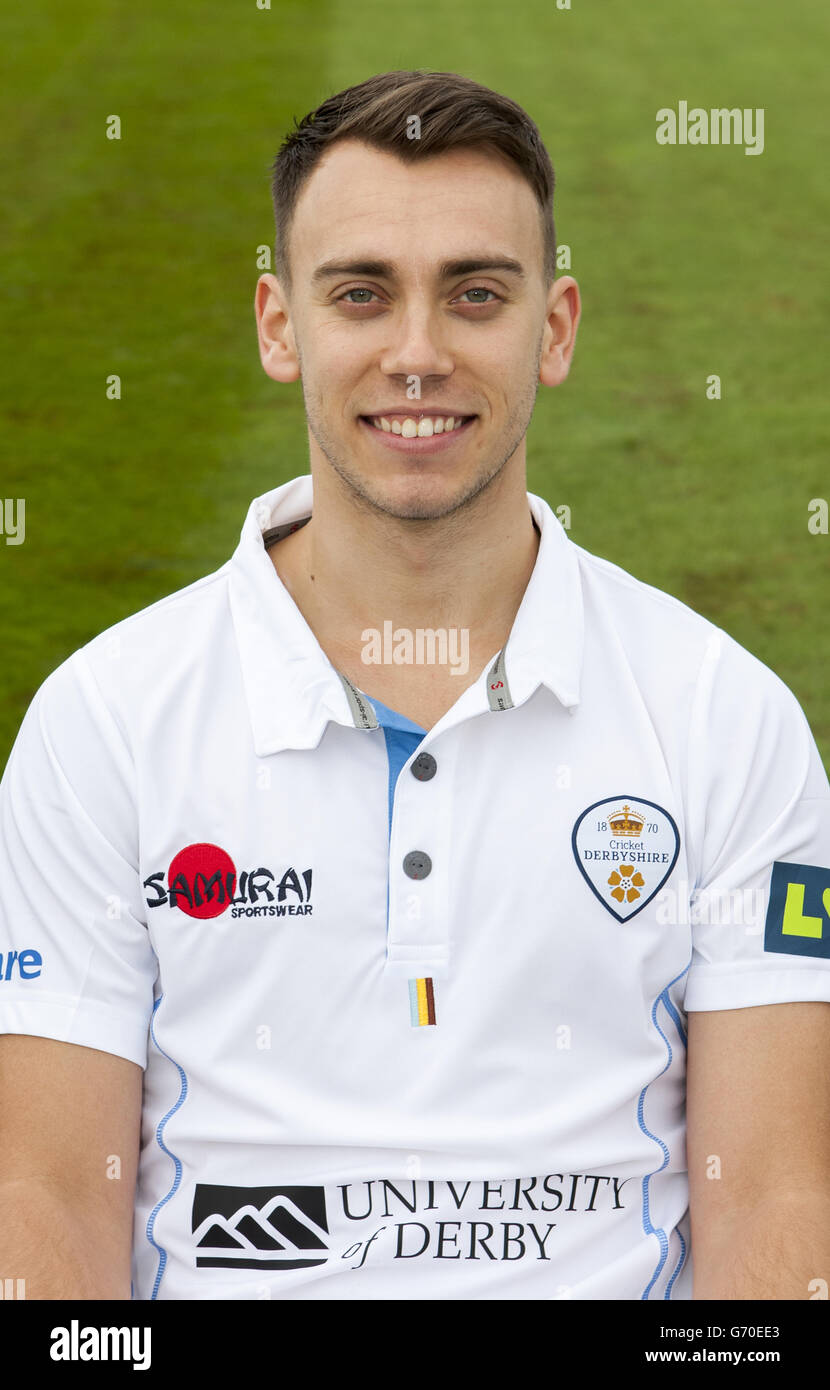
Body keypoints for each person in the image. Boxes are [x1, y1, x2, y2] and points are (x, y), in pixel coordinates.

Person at [1, 69, 829, 1302]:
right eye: (361, 293)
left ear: (552, 329)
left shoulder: (726, 718)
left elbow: (772, 1197)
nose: (416, 354)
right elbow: (52, 1195)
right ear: (280, 327)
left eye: (474, 294)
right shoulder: (103, 723)